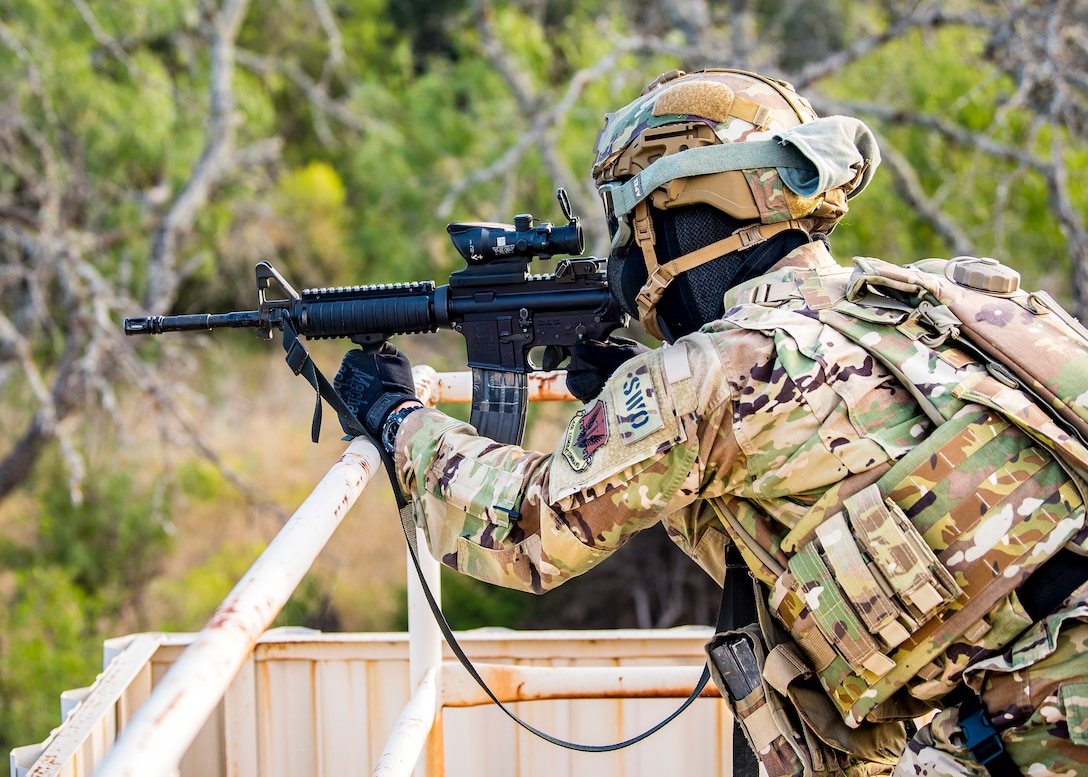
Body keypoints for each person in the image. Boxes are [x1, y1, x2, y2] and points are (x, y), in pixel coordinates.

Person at [334, 68, 1088, 776]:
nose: (629, 259)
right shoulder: (958, 302)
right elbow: (794, 531)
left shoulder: (717, 370)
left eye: (636, 225)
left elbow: (528, 532)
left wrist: (396, 417)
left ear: (689, 214)